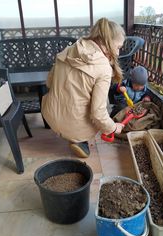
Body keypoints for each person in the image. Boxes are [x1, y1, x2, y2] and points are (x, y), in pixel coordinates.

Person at [41, 18, 126, 158]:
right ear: (107, 42)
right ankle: (79, 139)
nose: (117, 53)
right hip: (73, 124)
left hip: (50, 114)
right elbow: (98, 113)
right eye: (118, 47)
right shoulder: (103, 68)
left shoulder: (69, 50)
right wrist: (113, 127)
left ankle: (71, 132)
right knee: (103, 104)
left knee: (69, 90)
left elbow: (49, 82)